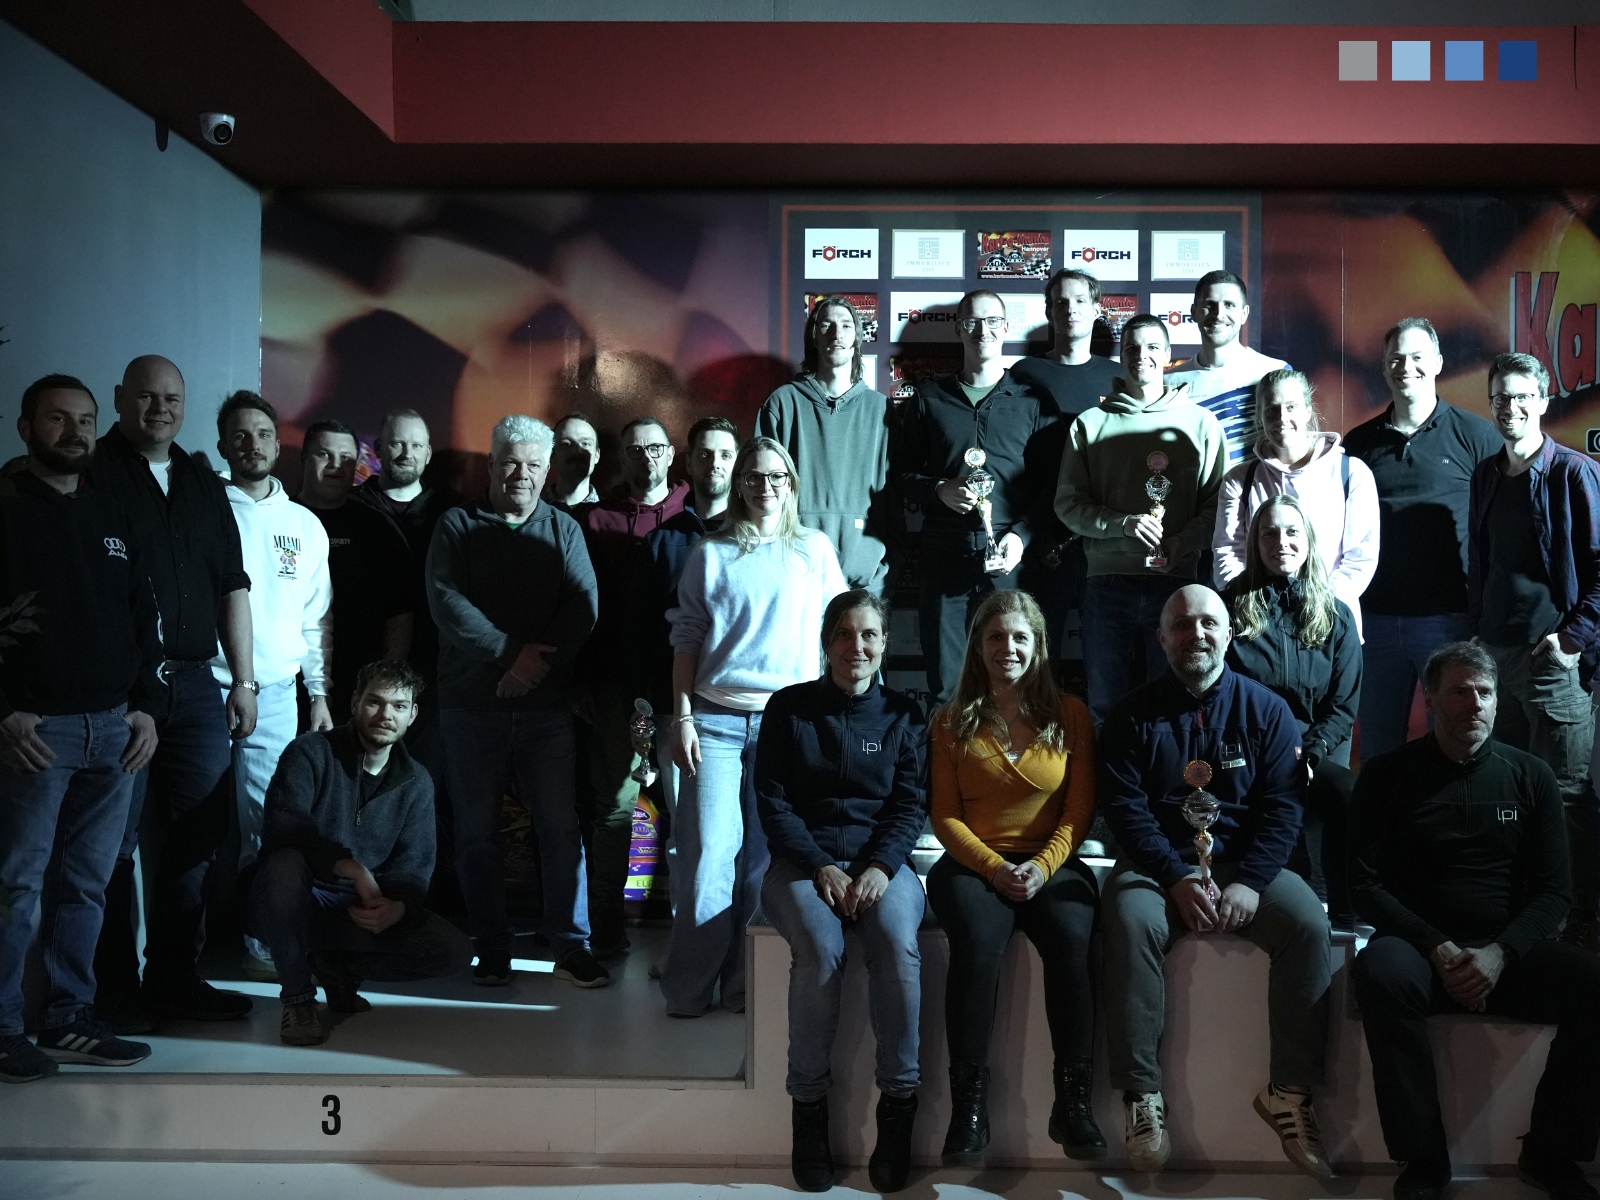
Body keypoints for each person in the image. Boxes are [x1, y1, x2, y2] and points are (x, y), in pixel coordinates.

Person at [1351, 642, 1600, 1200]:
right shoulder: (1387, 776)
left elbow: (1556, 892)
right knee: (1380, 974)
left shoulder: (1530, 775)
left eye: (1485, 692)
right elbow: (1362, 886)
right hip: (1417, 952)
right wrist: (1435, 945)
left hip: (1505, 954)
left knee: (1594, 985)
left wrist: (1500, 953)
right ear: (1431, 699)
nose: (1475, 704)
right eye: (1460, 691)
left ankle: (1551, 1153)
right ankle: (1422, 1159)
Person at [1099, 584, 1332, 1179]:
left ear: (1230, 634)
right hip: (1158, 867)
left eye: (1208, 623)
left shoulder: (1268, 710)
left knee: (1309, 924)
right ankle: (1142, 1096)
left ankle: (1290, 1093)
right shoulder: (1130, 714)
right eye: (1182, 624)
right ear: (1161, 638)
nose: (1196, 634)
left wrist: (1251, 881)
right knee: (1128, 920)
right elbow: (1125, 811)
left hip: (1247, 866)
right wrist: (1175, 875)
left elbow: (1284, 808)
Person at [0, 375, 162, 1082]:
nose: (74, 432)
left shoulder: (111, 510)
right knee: (15, 886)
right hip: (35, 735)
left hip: (114, 732)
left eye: (85, 420)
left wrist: (145, 705)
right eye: (57, 419)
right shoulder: (6, 511)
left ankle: (69, 1018)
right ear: (25, 428)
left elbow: (143, 613)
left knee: (87, 887)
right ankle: (3, 1029)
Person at [91, 354, 257, 1031]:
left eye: (172, 398)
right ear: (119, 398)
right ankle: (112, 991)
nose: (160, 408)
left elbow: (232, 584)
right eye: (146, 396)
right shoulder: (94, 472)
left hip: (195, 687)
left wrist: (242, 681)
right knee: (110, 843)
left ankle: (174, 977)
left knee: (200, 837)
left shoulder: (199, 480)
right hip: (121, 689)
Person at [664, 436, 846, 1017]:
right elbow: (687, 639)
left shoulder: (814, 551)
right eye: (753, 476)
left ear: (791, 484)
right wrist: (684, 717)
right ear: (739, 484)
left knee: (764, 866)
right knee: (708, 860)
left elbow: (839, 638)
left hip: (787, 726)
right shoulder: (711, 553)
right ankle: (689, 989)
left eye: (776, 476)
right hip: (714, 722)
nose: (765, 486)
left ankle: (744, 987)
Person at [756, 589, 928, 1193]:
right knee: (821, 948)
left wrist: (880, 866)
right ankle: (808, 1112)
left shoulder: (905, 716)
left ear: (884, 644)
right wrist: (821, 865)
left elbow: (909, 806)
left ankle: (899, 1106)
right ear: (827, 642)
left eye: (869, 635)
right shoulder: (789, 709)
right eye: (845, 634)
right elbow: (773, 805)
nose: (857, 646)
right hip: (801, 865)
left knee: (897, 945)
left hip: (884, 865)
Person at [926, 589, 1105, 1167]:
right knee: (977, 948)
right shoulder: (949, 720)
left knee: (1074, 941)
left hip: (1052, 861)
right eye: (996, 637)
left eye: (1020, 637)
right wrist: (996, 867)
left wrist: (1042, 866)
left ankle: (1073, 1104)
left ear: (1039, 646)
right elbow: (944, 816)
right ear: (978, 647)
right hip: (972, 866)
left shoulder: (1071, 716)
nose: (1008, 647)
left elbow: (1079, 812)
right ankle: (968, 1111)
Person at [427, 414, 605, 988]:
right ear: (491, 464)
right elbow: (447, 603)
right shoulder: (456, 525)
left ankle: (570, 945)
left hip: (545, 710)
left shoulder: (564, 530)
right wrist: (511, 655)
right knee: (476, 834)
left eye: (532, 465)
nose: (521, 475)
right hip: (469, 708)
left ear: (547, 470)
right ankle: (492, 946)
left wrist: (532, 670)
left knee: (560, 829)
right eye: (510, 462)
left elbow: (583, 607)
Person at [250, 659, 472, 1046]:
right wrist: (350, 868)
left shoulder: (417, 782)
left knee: (452, 951)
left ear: (412, 715)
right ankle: (298, 999)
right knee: (284, 864)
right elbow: (284, 828)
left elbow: (414, 867)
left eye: (399, 706)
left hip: (356, 909)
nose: (386, 714)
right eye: (375, 702)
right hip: (296, 899)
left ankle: (337, 968)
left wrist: (398, 907)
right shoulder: (309, 752)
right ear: (355, 703)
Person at [1467, 351, 1600, 949]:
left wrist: (1571, 641)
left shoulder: (1574, 473)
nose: (1511, 407)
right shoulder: (1487, 475)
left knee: (1565, 796)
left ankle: (1573, 918)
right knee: (1509, 791)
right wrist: (1478, 632)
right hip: (1496, 658)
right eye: (1501, 397)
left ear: (1543, 401)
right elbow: (1483, 562)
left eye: (1523, 396)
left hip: (1553, 664)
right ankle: (1523, 910)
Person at [1055, 314, 1228, 723]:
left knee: (1175, 702)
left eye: (1152, 347)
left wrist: (1182, 543)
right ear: (1120, 355)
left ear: (1167, 355)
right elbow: (1068, 505)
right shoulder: (1091, 423)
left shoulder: (1201, 423)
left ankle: (1170, 770)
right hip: (1106, 585)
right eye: (1131, 347)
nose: (1141, 355)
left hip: (1176, 582)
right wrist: (1122, 524)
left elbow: (1217, 510)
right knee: (1105, 705)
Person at [213, 392, 334, 974]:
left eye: (262, 434)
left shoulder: (304, 524)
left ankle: (264, 940)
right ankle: (191, 948)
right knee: (201, 825)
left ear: (276, 444)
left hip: (280, 693)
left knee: (270, 823)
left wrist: (320, 692)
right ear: (222, 445)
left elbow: (316, 618)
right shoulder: (204, 508)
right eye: (240, 435)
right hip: (205, 689)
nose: (252, 444)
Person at [1345, 317, 1501, 761]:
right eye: (1396, 358)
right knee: (1378, 753)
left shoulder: (1477, 437)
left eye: (1417, 357)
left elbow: (1499, 528)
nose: (1406, 366)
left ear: (1437, 363)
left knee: (1456, 747)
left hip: (1449, 623)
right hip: (1374, 623)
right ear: (1383, 367)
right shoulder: (1359, 444)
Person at [892, 289, 1051, 703]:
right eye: (972, 322)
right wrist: (937, 489)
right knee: (946, 685)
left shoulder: (1031, 399)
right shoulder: (930, 397)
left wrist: (1021, 537)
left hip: (1009, 558)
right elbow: (900, 474)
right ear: (959, 329)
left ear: (1006, 327)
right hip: (945, 552)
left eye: (992, 321)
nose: (983, 330)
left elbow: (1051, 485)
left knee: (1016, 684)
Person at [573, 415, 688, 959]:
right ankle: (607, 927)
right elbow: (581, 607)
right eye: (635, 449)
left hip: (682, 690)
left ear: (671, 453)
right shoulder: (595, 521)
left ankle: (692, 938)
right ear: (621, 458)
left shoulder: (694, 516)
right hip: (615, 688)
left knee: (688, 816)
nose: (647, 457)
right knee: (616, 810)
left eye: (656, 448)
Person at [1224, 496, 1362, 929]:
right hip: (1245, 750)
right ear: (1255, 543)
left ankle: (1344, 917)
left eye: (1291, 532)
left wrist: (1313, 752)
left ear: (1308, 540)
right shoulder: (1228, 608)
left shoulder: (1336, 615)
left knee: (1348, 794)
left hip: (1310, 751)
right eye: (1269, 533)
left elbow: (1343, 706)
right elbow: (1216, 693)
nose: (1280, 542)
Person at [1008, 268, 1124, 664]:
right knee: (1036, 667)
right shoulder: (1024, 374)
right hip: (1040, 545)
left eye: (1079, 301)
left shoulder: (1118, 378)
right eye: (1060, 302)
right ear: (1048, 311)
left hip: (1103, 544)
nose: (1069, 309)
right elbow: (1014, 463)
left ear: (1096, 310)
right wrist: (1037, 534)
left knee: (1109, 665)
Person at [639, 416, 738, 867]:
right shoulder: (662, 541)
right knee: (685, 833)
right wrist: (646, 706)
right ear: (690, 462)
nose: (714, 463)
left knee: (742, 834)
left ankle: (740, 919)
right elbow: (642, 630)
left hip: (740, 710)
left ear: (737, 464)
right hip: (675, 711)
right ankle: (689, 916)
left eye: (725, 454)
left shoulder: (756, 538)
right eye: (705, 453)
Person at [1212, 369, 1379, 631]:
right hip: (1258, 626)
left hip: (1331, 622)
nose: (1282, 418)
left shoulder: (1352, 473)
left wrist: (1318, 608)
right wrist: (1256, 609)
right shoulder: (1239, 480)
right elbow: (1228, 552)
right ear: (1259, 417)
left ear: (1308, 411)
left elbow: (1360, 558)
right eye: (1271, 410)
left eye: (1291, 407)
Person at [757, 295, 895, 595]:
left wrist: (876, 561)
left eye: (846, 325)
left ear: (857, 338)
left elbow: (897, 494)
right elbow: (759, 489)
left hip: (867, 579)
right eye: (826, 325)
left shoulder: (881, 409)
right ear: (813, 336)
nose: (836, 333)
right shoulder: (782, 403)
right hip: (794, 574)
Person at [296, 420, 412, 714]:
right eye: (324, 454)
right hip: (285, 685)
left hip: (362, 689)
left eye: (346, 457)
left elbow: (400, 612)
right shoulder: (280, 520)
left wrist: (387, 679)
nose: (336, 466)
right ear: (304, 458)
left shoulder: (378, 528)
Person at [352, 408, 461, 698]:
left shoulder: (451, 510)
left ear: (428, 453)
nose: (406, 454)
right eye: (397, 443)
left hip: (435, 664)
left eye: (416, 446)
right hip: (358, 658)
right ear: (378, 448)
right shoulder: (352, 507)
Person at [1164, 270, 1288, 466]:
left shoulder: (1277, 373)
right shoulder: (1168, 383)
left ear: (1244, 314)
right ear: (1194, 312)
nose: (1219, 315)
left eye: (1229, 305)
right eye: (1209, 305)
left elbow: (1295, 450)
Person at [543, 413, 601, 511]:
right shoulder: (530, 512)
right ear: (552, 454)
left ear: (597, 455)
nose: (576, 451)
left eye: (586, 443)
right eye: (566, 444)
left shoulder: (612, 514)